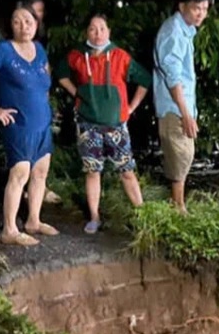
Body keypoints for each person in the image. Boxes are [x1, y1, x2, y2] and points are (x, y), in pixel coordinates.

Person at [0, 2, 57, 246]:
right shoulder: (3, 50)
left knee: (40, 172)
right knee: (20, 173)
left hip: (41, 124)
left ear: (36, 24)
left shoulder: (39, 49)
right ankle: (9, 229)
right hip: (18, 124)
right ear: (9, 25)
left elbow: (44, 82)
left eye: (28, 21)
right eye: (17, 21)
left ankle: (33, 221)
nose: (23, 26)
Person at [63, 13, 152, 234]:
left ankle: (142, 215)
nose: (98, 33)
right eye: (93, 29)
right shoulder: (77, 56)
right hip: (87, 124)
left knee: (127, 171)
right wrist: (77, 94)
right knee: (92, 171)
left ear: (109, 32)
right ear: (87, 33)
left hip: (116, 125)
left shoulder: (120, 56)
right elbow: (60, 74)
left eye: (102, 28)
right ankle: (94, 217)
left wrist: (131, 108)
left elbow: (145, 80)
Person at [153, 0, 209, 215]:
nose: (201, 14)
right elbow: (173, 76)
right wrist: (185, 113)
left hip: (181, 104)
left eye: (205, 9)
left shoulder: (184, 30)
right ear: (182, 6)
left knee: (184, 152)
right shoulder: (173, 32)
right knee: (181, 153)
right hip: (174, 105)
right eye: (196, 8)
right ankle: (178, 205)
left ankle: (177, 202)